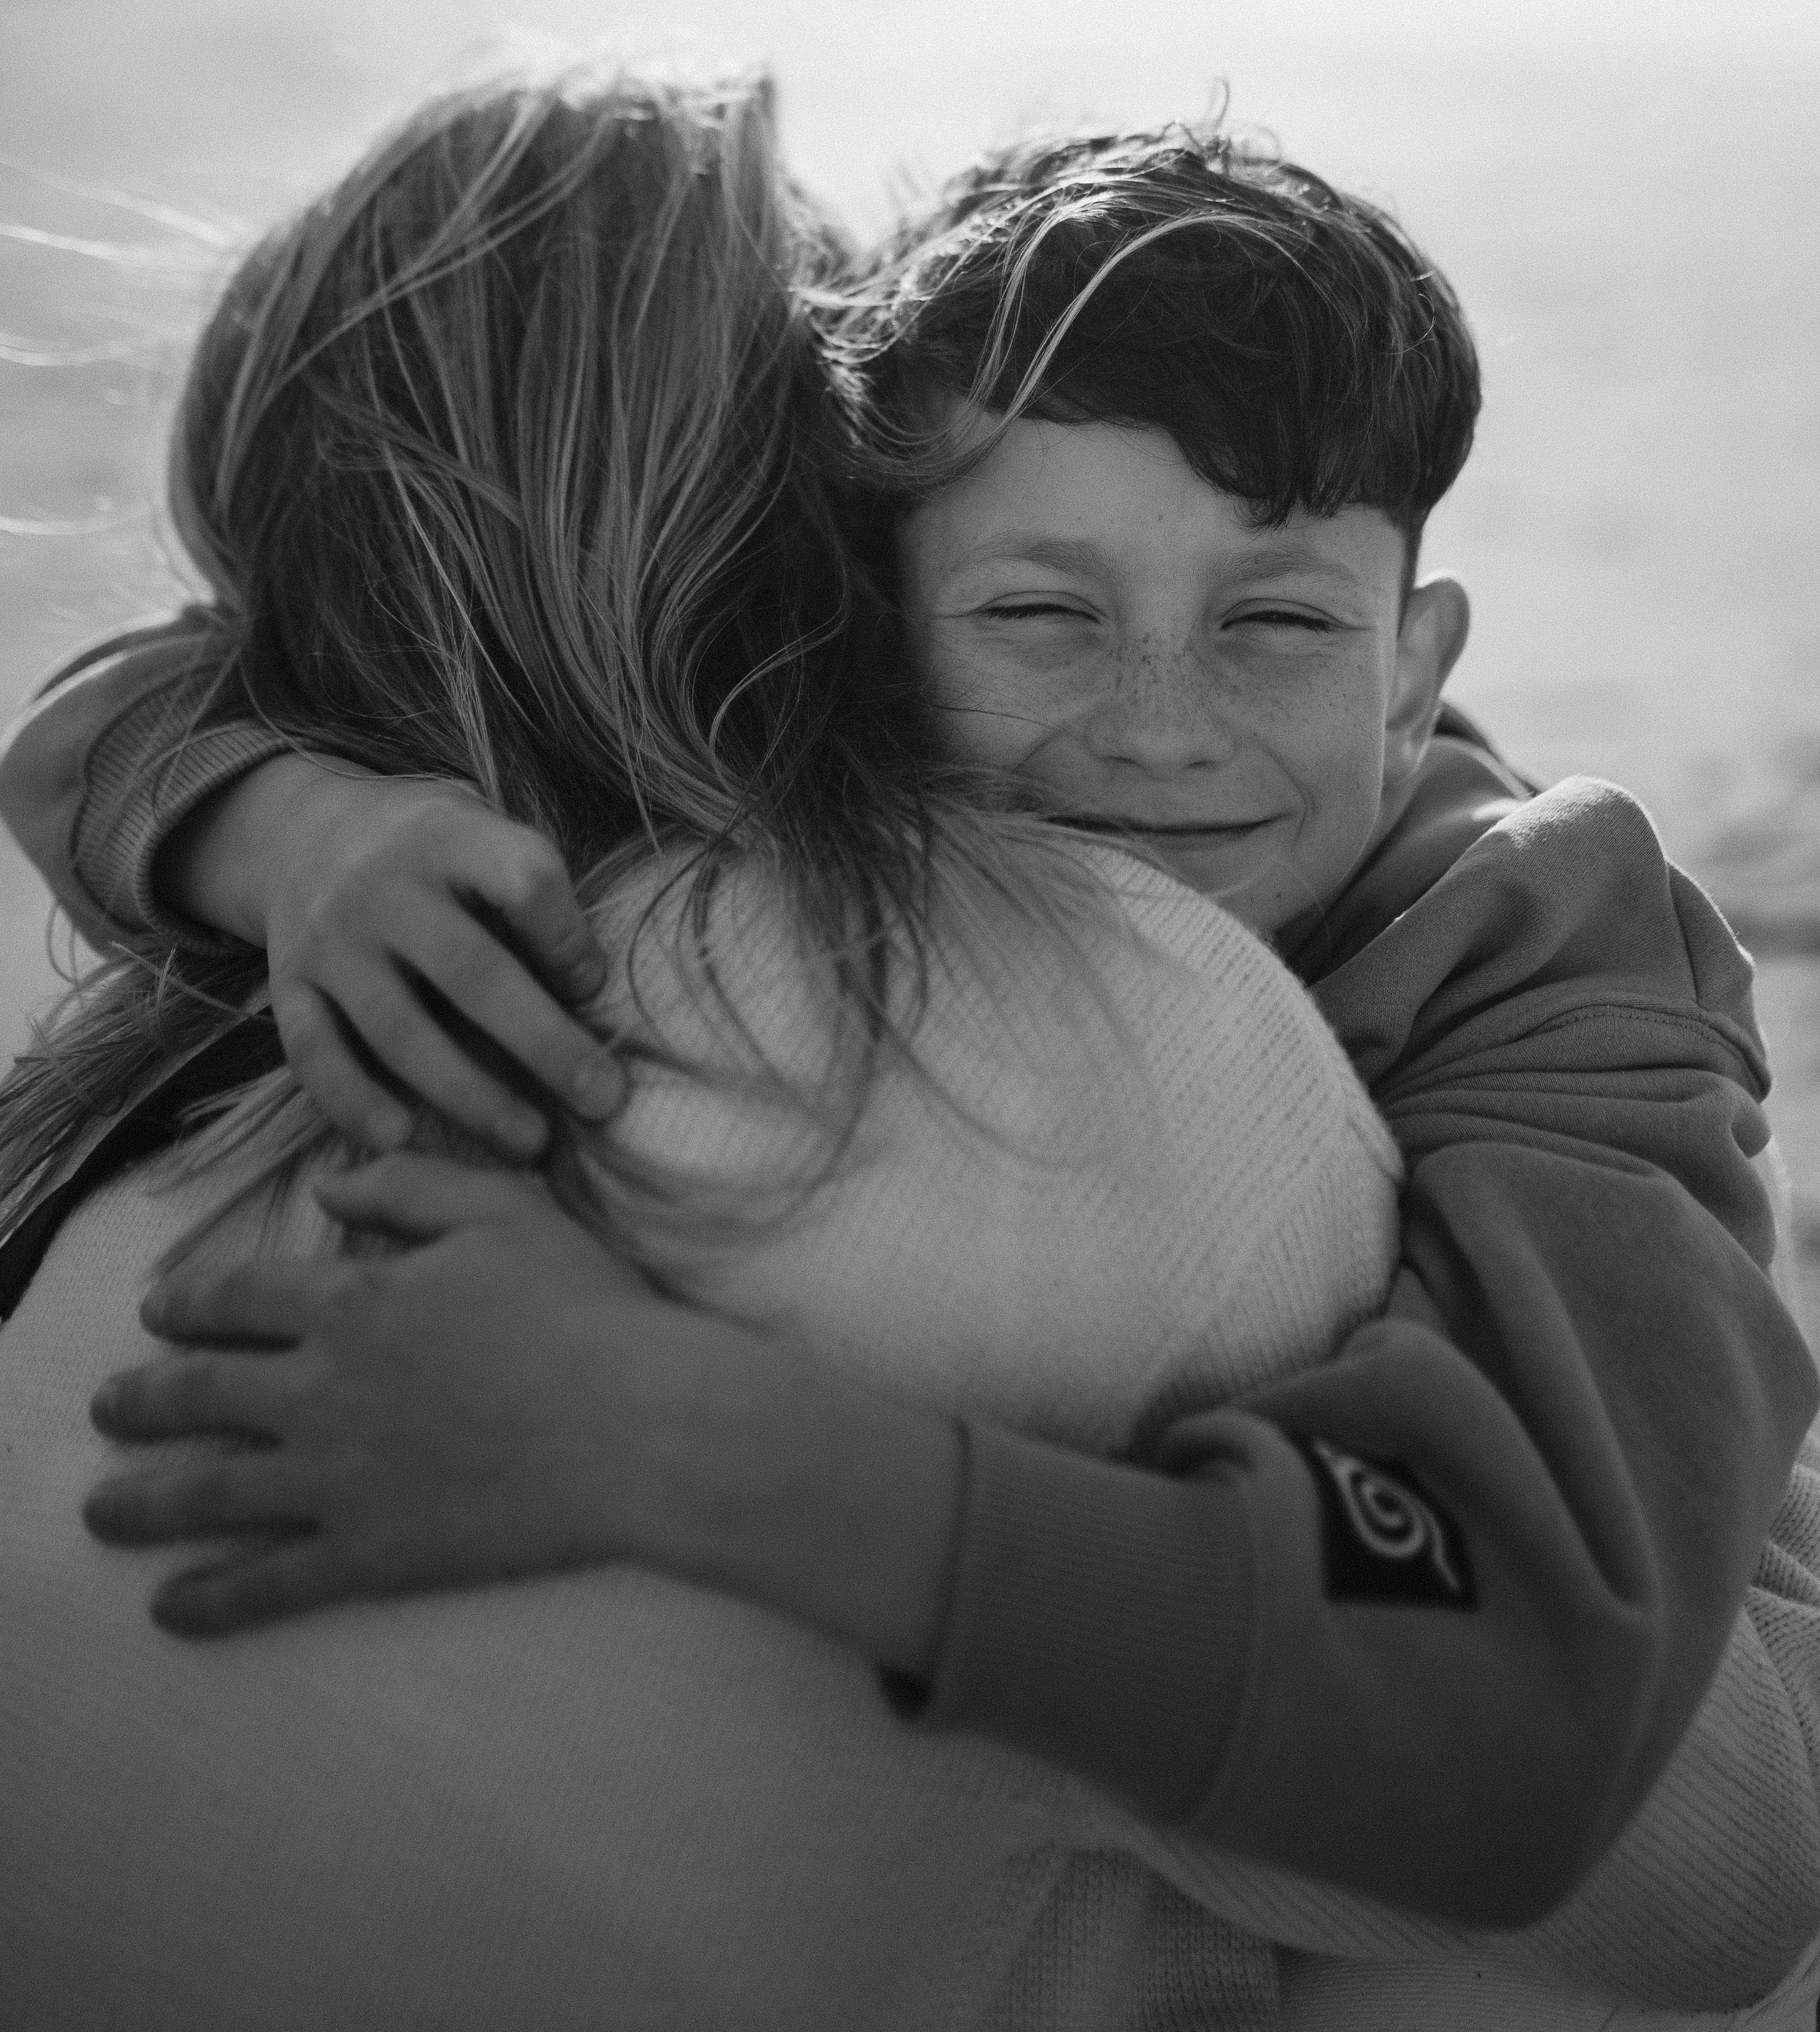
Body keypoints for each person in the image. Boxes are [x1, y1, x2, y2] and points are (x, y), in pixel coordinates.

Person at [4, 100, 1819, 2026]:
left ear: (1413, 656)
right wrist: (282, 826)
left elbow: (1583, 1735)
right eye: (1034, 613)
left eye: (1279, 623)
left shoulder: (1545, 938)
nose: (1157, 734)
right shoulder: (1064, 1089)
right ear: (846, 597)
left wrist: (672, 1433)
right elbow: (1692, 1876)